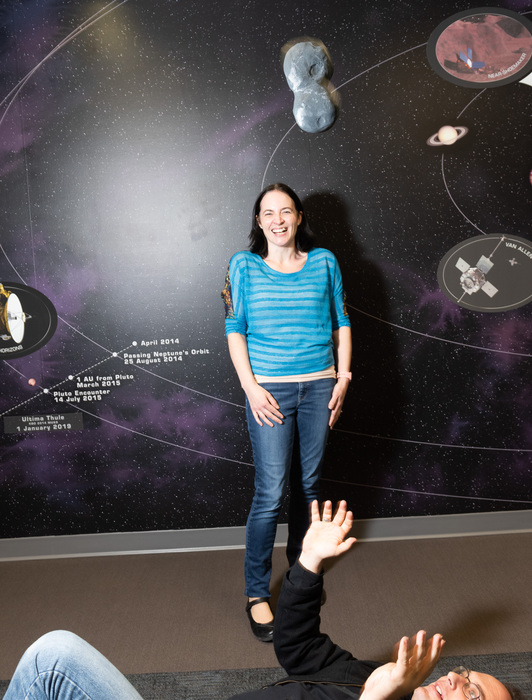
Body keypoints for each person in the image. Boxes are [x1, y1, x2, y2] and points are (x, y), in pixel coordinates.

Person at [2, 501, 520, 700]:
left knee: (54, 658)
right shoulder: (380, 678)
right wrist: (309, 563)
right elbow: (299, 650)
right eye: (467, 674)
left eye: (473, 696)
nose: (456, 679)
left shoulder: (381, 691)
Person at [222, 183, 352, 641]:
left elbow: (341, 321)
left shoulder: (324, 262)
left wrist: (343, 377)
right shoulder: (243, 265)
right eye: (268, 213)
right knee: (271, 492)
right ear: (259, 222)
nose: (277, 220)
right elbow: (235, 327)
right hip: (269, 392)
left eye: (285, 211)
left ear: (298, 217)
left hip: (319, 387)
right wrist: (251, 388)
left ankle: (302, 573)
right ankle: (256, 594)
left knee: (309, 487)